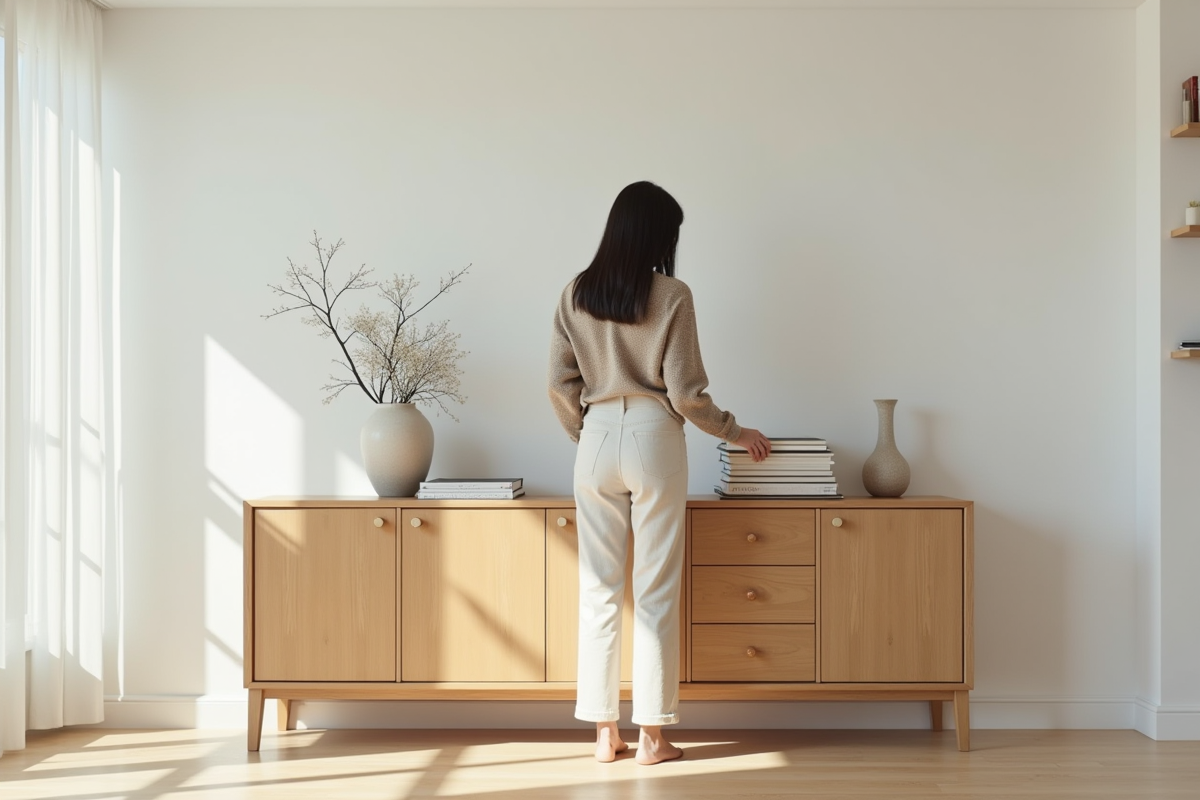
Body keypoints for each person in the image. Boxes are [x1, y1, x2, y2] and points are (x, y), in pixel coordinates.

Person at [547, 181, 772, 765]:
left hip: (594, 440)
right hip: (653, 438)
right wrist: (734, 431)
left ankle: (603, 734)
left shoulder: (576, 293)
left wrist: (585, 433)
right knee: (654, 592)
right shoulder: (673, 295)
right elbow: (687, 394)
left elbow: (559, 382)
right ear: (656, 233)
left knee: (598, 590)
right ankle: (652, 737)